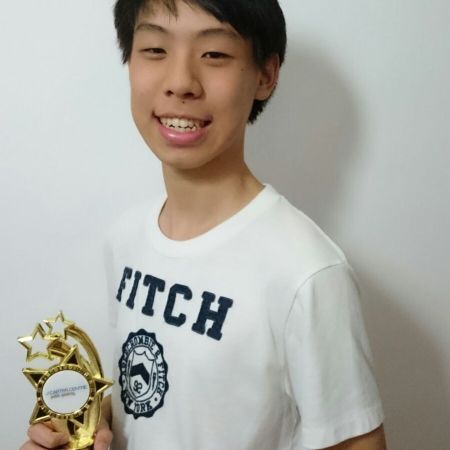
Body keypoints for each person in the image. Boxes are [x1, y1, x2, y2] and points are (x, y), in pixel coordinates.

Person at [21, 0, 387, 449]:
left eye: (214, 54)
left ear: (265, 75)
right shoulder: (126, 238)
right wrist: (84, 429)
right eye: (155, 49)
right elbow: (160, 401)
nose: (180, 82)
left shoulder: (307, 273)